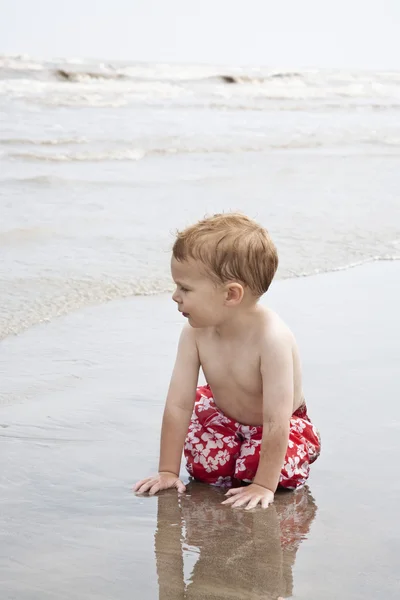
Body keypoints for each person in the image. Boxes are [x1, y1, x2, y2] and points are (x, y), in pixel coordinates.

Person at [134, 213, 320, 509]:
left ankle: (259, 474)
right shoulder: (195, 332)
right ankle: (236, 457)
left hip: (275, 426)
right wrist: (168, 471)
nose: (174, 296)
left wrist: (263, 485)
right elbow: (179, 404)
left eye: (185, 288)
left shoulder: (272, 339)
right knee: (206, 467)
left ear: (231, 294)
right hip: (223, 416)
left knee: (277, 473)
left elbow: (276, 421)